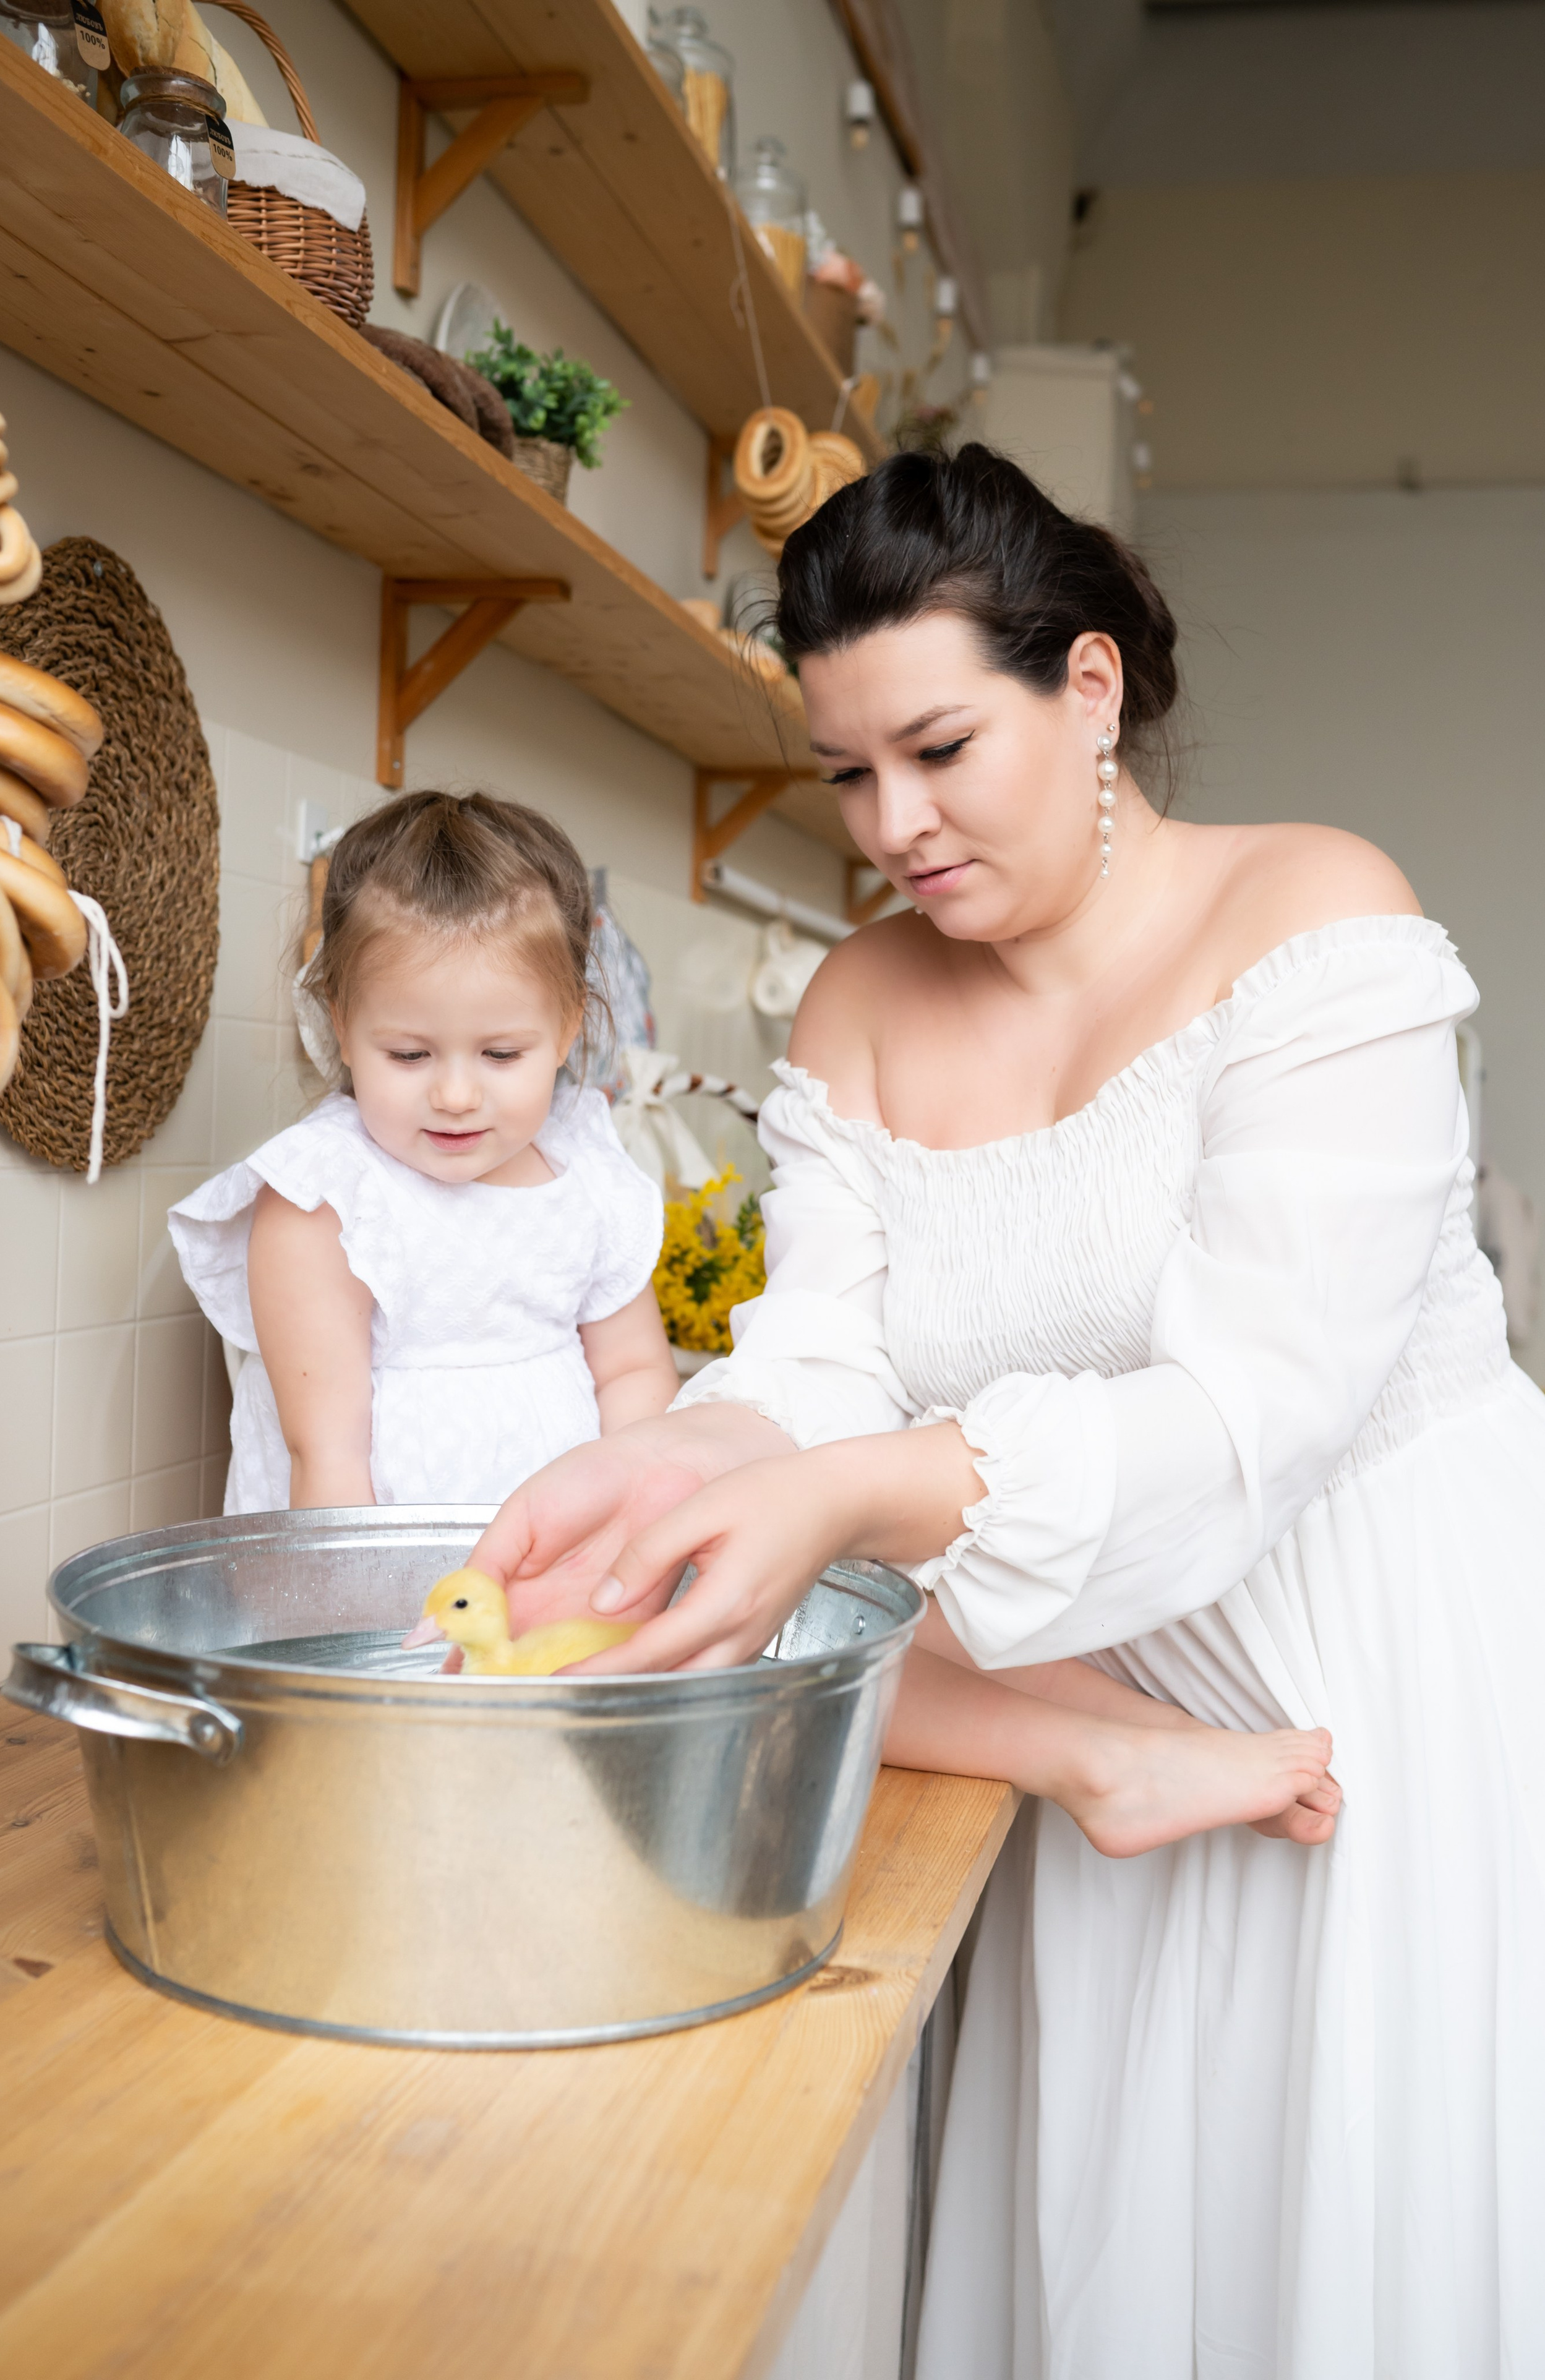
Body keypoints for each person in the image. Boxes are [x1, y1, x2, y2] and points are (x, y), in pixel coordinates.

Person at [462, 447, 1545, 2374]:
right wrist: (671, 1456)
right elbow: (815, 1369)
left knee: (1355, 2223)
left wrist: (850, 1494)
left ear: (1091, 686)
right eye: (847, 773)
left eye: (941, 748)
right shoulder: (861, 1003)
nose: (893, 822)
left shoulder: (1316, 918)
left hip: (1385, 1662)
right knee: (1141, 2233)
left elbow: (1253, 1407)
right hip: (1100, 1688)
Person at [170, 790, 677, 1512]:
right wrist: (364, 1589)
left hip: (564, 1549)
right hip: (374, 1557)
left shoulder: (587, 1173)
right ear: (342, 1025)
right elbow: (327, 1457)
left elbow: (633, 1373)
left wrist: (625, 1521)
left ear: (569, 1028)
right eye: (410, 1054)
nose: (456, 1094)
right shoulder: (325, 1197)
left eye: (501, 1053)